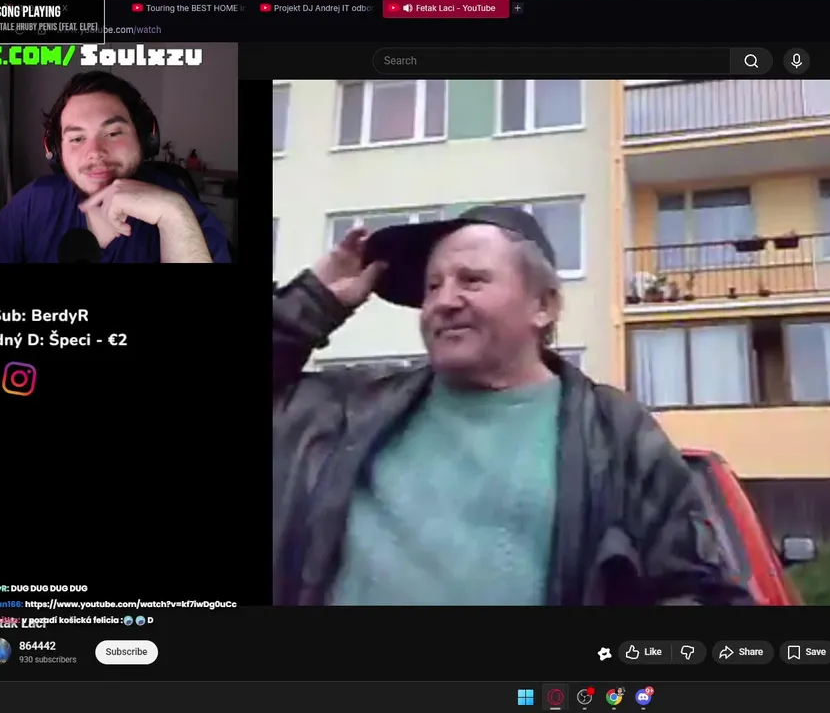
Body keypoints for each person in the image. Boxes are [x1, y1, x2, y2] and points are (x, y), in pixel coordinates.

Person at [272, 205, 752, 606]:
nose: (443, 301)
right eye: (433, 286)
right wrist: (312, 301)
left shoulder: (615, 433)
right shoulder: (347, 408)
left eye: (471, 280)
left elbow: (694, 591)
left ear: (543, 306)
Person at [0, 71, 230, 263]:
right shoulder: (37, 200)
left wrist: (173, 216)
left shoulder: (185, 215)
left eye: (113, 133)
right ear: (56, 152)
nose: (95, 152)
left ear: (145, 138)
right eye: (77, 138)